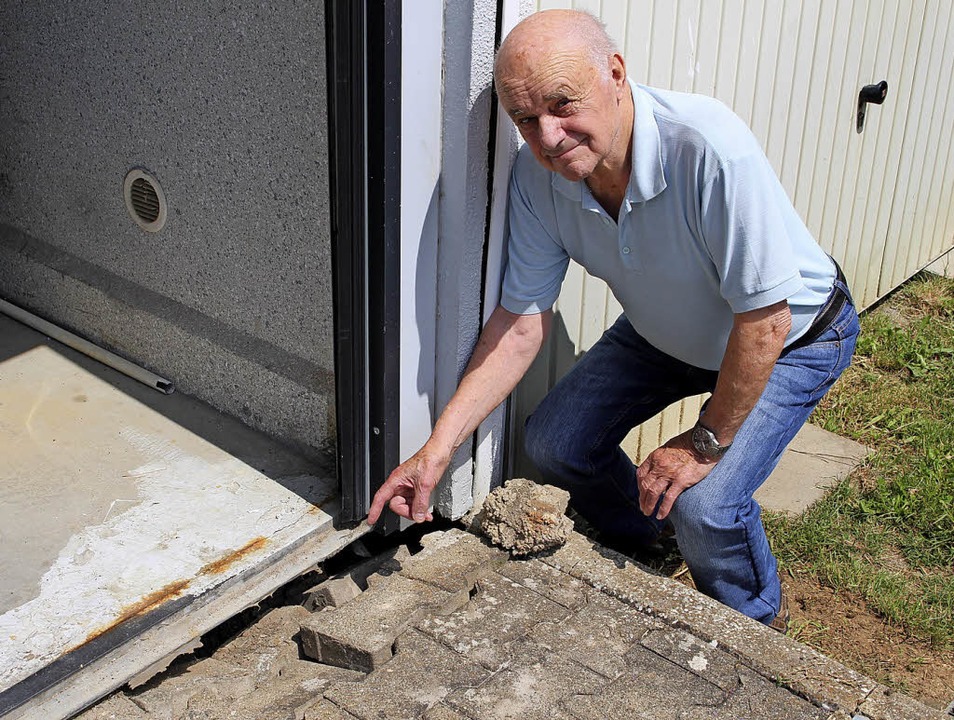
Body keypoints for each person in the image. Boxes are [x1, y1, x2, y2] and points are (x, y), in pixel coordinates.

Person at [368, 9, 859, 629]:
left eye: (562, 103)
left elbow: (765, 320)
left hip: (791, 335)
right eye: (525, 118)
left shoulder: (708, 147)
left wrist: (702, 443)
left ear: (616, 73)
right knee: (555, 443)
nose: (547, 136)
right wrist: (437, 450)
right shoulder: (538, 177)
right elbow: (521, 323)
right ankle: (651, 540)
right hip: (667, 333)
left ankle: (753, 627)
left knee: (705, 505)